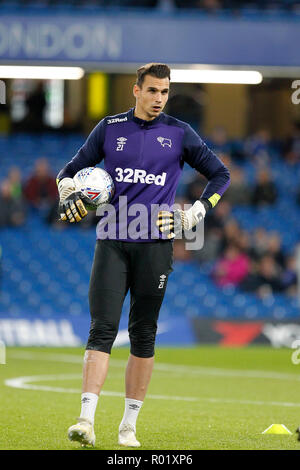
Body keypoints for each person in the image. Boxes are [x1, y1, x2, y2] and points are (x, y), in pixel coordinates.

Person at [56, 63, 230, 448]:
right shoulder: (109, 127)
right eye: (152, 91)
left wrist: (198, 211)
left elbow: (220, 176)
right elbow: (68, 172)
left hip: (156, 245)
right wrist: (68, 192)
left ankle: (128, 426)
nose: (158, 99)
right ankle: (86, 420)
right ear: (136, 90)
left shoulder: (179, 133)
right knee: (101, 329)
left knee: (143, 334)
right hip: (112, 241)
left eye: (164, 92)